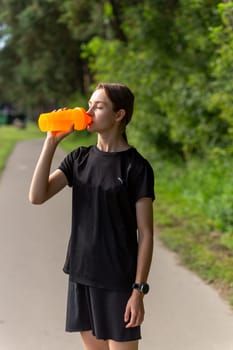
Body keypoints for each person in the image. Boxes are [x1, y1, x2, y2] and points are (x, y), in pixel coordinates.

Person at [29, 83, 155, 350]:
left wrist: (138, 290)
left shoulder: (136, 167)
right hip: (82, 275)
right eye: (89, 104)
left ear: (119, 115)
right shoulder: (79, 159)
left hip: (119, 281)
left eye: (98, 107)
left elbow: (146, 233)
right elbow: (37, 196)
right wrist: (51, 142)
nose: (89, 111)